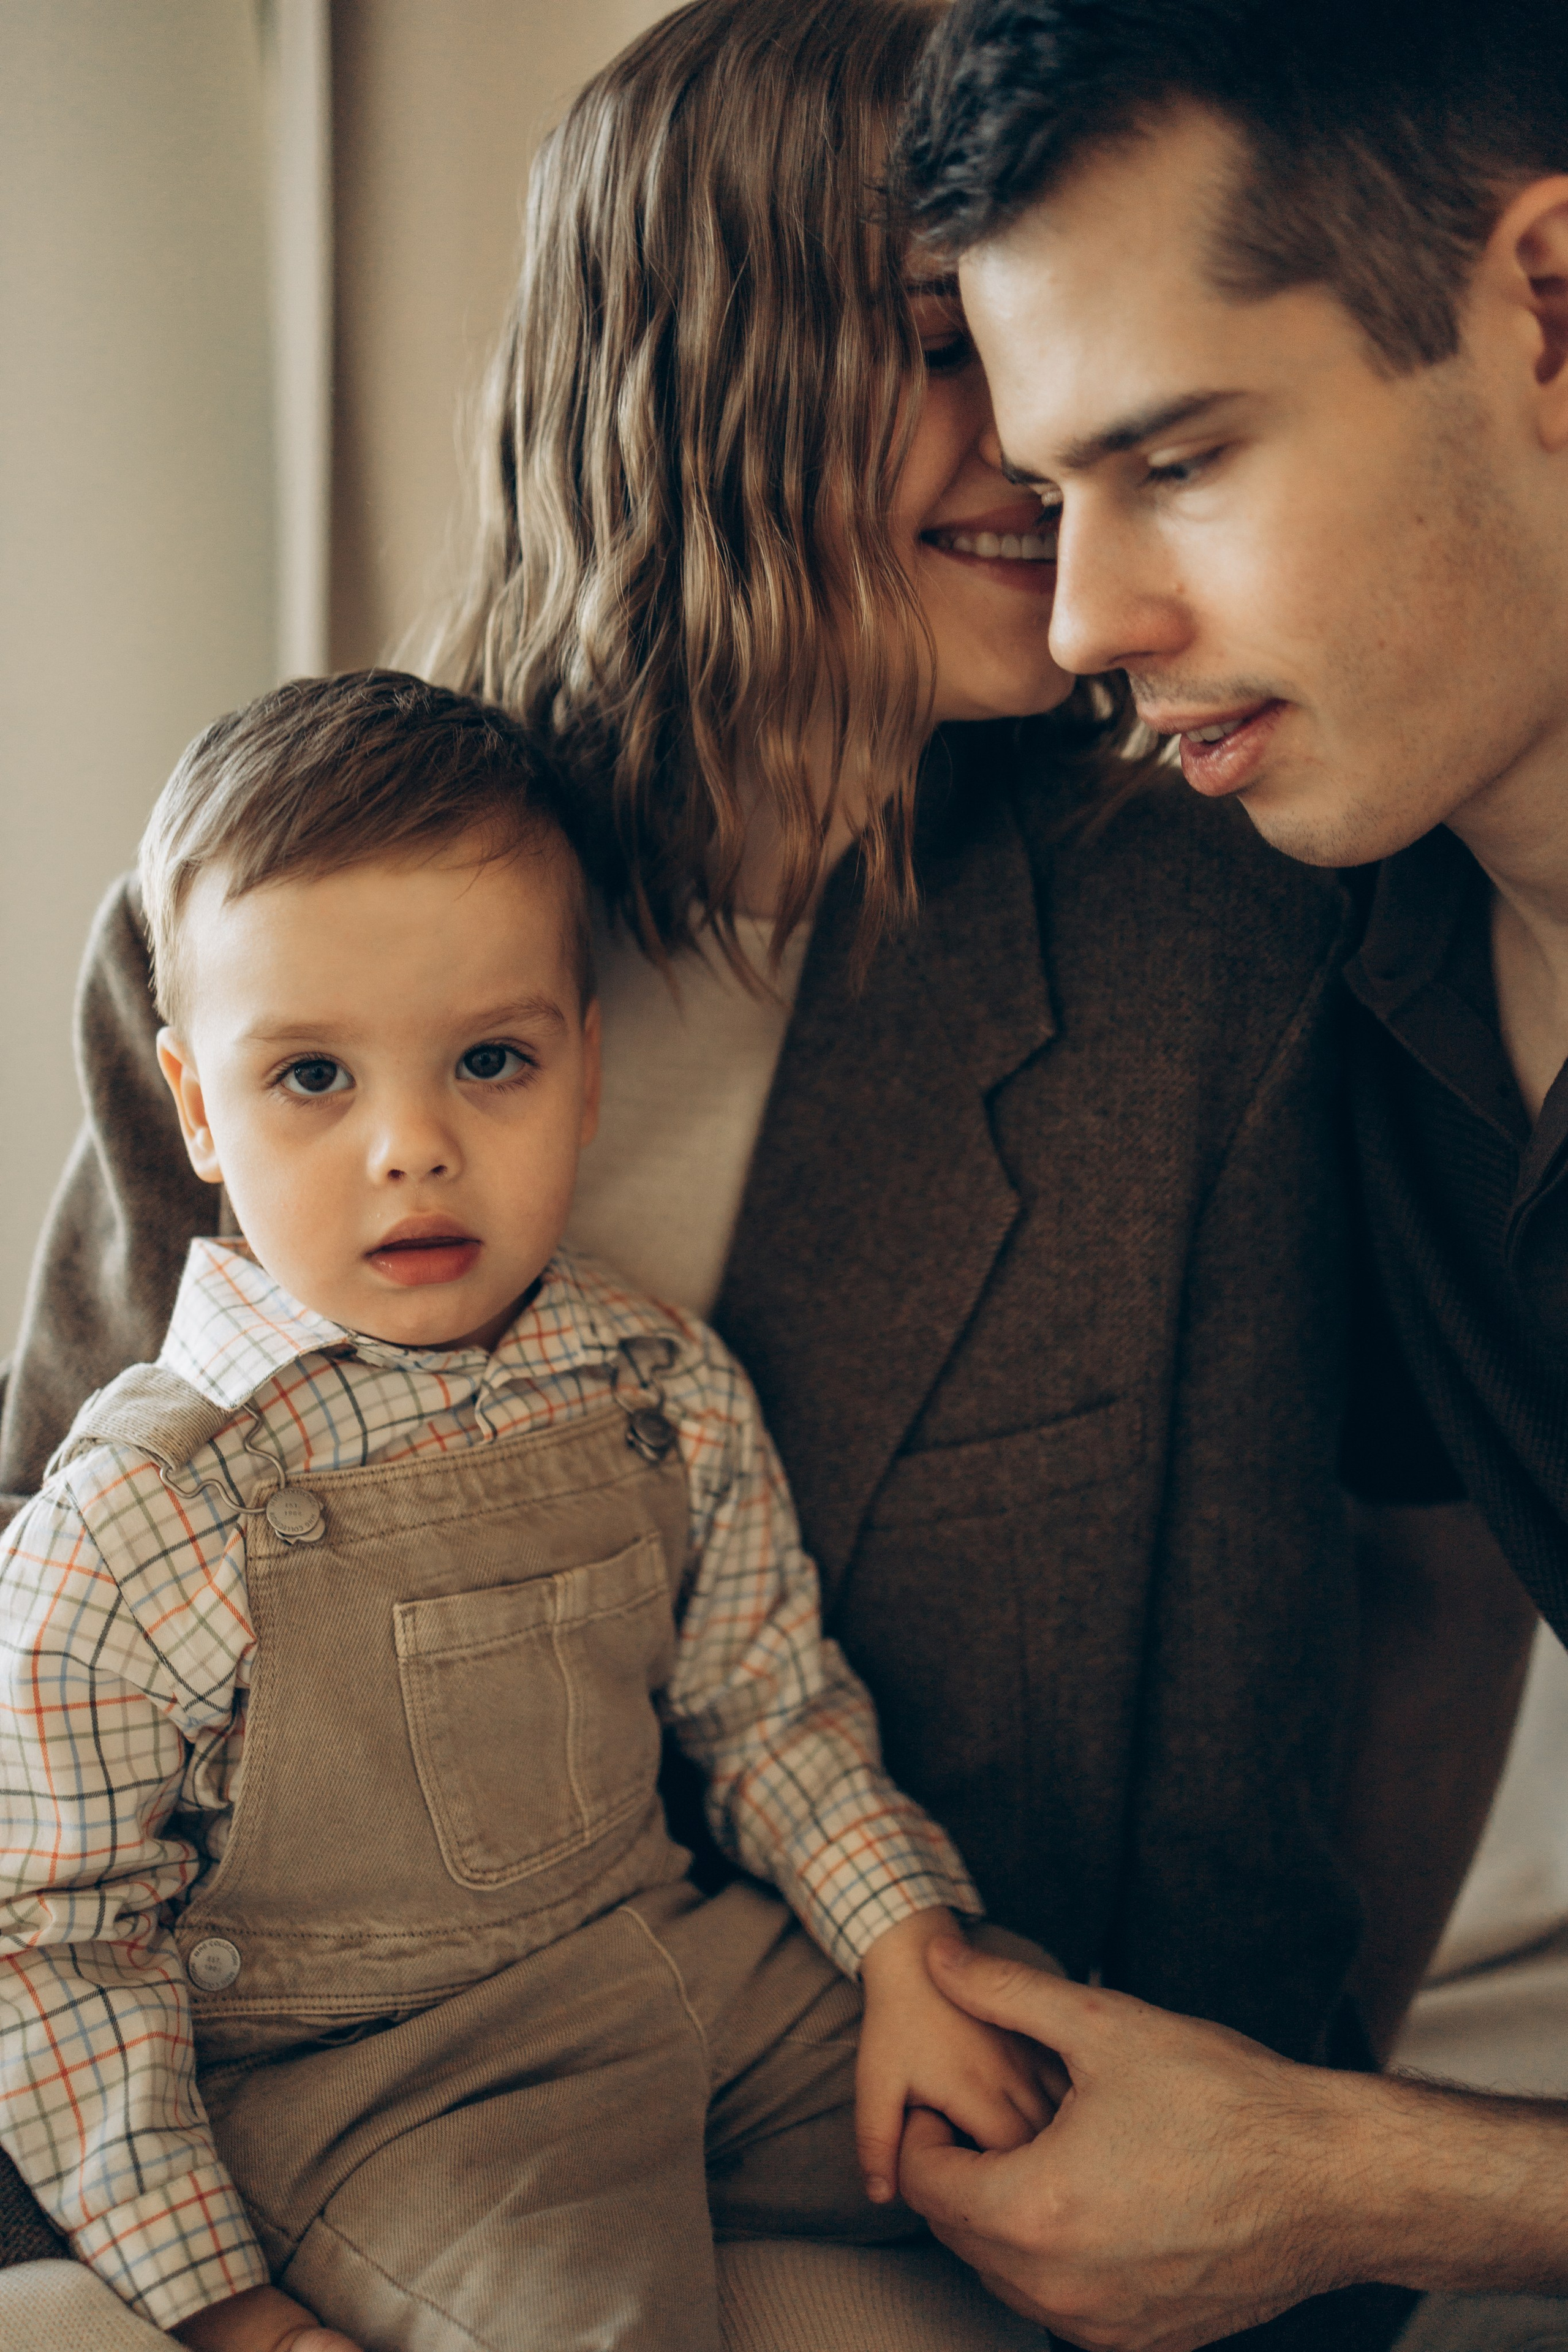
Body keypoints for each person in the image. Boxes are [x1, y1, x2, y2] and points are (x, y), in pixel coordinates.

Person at [0, 4, 1502, 2348]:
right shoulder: (266, 937)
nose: (1033, 446)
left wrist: (1311, 2161)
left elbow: (1409, 1591)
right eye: (943, 349)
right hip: (340, 2116)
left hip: (947, 2107)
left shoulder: (1216, 923)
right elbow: (50, 1660)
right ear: (704, 376)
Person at [0, 668, 1062, 2352]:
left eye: (489, 1058)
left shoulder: (655, 1380)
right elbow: (43, 1945)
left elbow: (767, 1703)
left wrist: (907, 1945)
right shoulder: (142, 1510)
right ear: (195, 1107)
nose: (412, 1147)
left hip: (674, 1966)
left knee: (1054, 2133)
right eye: (313, 1080)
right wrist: (216, 2304)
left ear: (585, 1073)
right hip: (388, 2092)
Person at [888, 0, 1568, 2341]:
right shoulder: (1351, 938)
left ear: (1553, 317)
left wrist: (1353, 2180)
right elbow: (1428, 1575)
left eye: (1174, 461)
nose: (1083, 624)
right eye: (1054, 489)